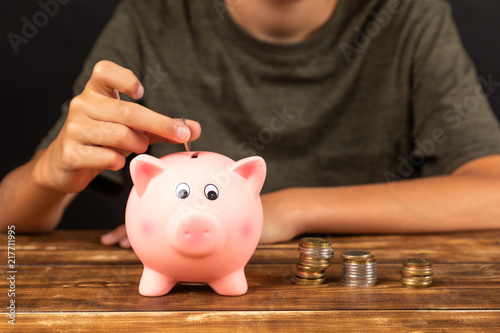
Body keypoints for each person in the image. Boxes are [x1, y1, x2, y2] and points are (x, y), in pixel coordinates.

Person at [1, 0, 500, 246]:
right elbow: (11, 221)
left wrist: (289, 209)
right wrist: (49, 174)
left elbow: (492, 192)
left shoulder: (405, 14)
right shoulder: (155, 16)